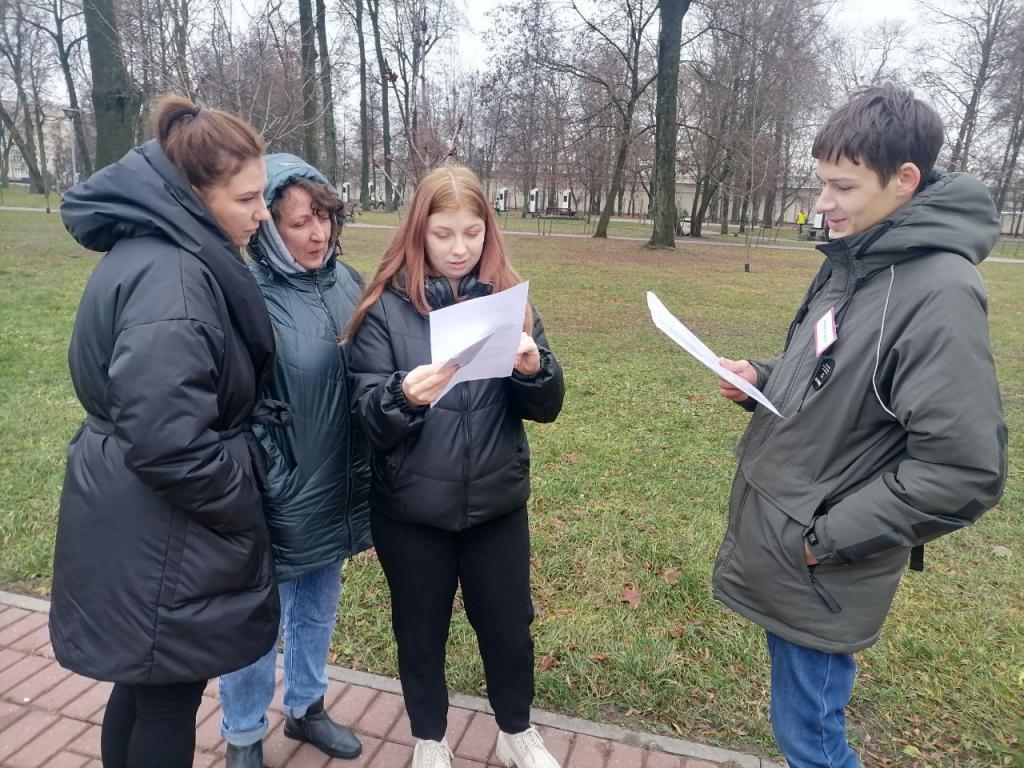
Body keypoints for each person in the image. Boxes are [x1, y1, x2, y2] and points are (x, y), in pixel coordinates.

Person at [713, 85, 1007, 767]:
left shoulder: (939, 292)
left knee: (812, 741)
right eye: (822, 183)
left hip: (823, 567)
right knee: (801, 729)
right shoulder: (856, 261)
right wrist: (762, 379)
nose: (823, 203)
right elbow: (834, 373)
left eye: (842, 186)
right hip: (791, 547)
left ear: (905, 179)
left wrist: (822, 542)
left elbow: (963, 469)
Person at [50, 95, 284, 768]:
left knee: (144, 681)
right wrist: (243, 500)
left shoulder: (157, 251)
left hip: (138, 511)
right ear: (194, 194)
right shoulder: (176, 279)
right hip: (166, 527)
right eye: (247, 199)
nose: (262, 214)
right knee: (167, 696)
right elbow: (168, 440)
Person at [347, 165, 565, 768]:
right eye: (443, 233)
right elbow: (367, 419)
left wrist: (534, 370)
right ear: (419, 231)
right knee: (420, 631)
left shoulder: (509, 301)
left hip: (496, 504)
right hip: (412, 511)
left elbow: (546, 408)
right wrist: (402, 398)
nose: (460, 248)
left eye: (472, 232)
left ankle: (516, 731)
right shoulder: (384, 311)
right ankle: (429, 740)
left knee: (508, 627)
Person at [218, 154, 372, 767]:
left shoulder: (350, 282)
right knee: (257, 621)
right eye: (299, 223)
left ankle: (307, 708)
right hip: (274, 493)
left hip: (336, 487)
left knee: (317, 609)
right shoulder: (245, 295)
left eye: (324, 218)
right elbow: (231, 402)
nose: (317, 235)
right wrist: (272, 474)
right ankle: (243, 734)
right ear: (268, 226)